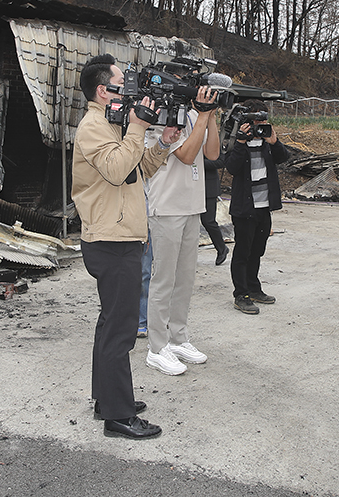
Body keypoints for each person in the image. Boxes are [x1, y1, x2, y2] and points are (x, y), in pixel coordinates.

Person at [71, 53, 179, 439]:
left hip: (120, 236)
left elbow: (135, 170)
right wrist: (137, 128)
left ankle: (107, 398)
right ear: (104, 91)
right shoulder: (93, 127)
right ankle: (118, 417)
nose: (131, 94)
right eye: (123, 85)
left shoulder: (112, 127)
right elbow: (116, 170)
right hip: (111, 241)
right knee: (120, 330)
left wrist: (161, 146)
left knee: (110, 324)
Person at [143, 86, 220, 376]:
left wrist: (209, 116)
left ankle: (177, 338)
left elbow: (211, 152)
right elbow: (186, 155)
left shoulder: (195, 116)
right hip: (167, 207)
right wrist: (201, 116)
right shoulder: (167, 117)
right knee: (164, 279)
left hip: (191, 205)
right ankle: (156, 347)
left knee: (185, 279)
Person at [224, 100, 290, 314]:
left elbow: (284, 158)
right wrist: (242, 142)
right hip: (244, 208)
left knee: (257, 251)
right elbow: (232, 168)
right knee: (243, 252)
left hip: (264, 207)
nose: (261, 124)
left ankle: (254, 288)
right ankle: (240, 295)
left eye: (264, 120)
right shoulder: (238, 141)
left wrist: (274, 141)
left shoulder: (266, 142)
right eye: (257, 120)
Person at [202, 154, 229, 266]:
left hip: (209, 188)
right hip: (190, 186)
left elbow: (221, 162)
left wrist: (199, 162)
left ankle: (222, 249)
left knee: (208, 221)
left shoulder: (212, 140)